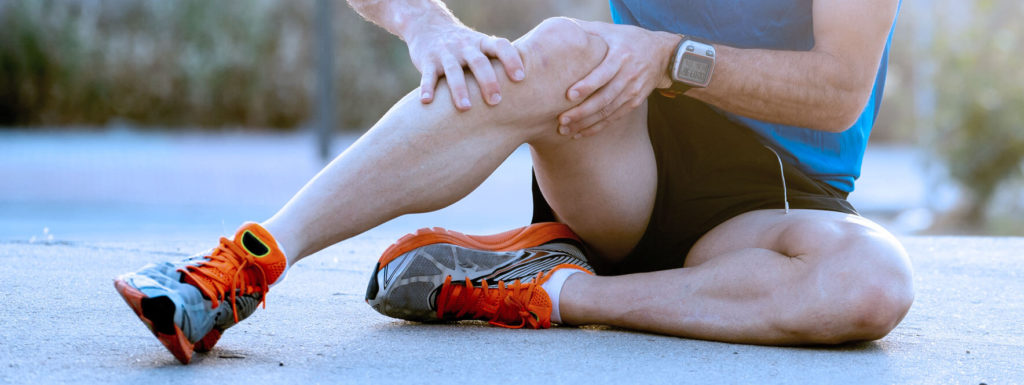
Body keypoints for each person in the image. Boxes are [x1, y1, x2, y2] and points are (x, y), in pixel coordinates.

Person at [114, 0, 914, 364]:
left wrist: (672, 55)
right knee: (561, 48)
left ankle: (546, 290)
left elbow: (838, 90)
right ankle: (238, 268)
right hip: (625, 162)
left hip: (773, 202)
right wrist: (424, 22)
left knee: (872, 282)